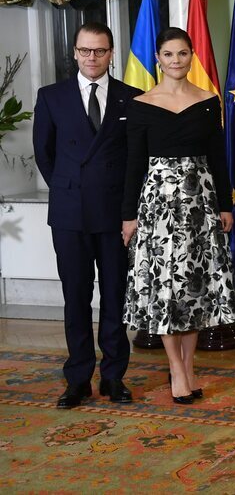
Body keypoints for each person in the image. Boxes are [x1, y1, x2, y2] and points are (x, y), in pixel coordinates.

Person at [121, 27, 235, 404]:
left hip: (201, 205)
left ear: (192, 57)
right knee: (166, 289)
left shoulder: (208, 101)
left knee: (194, 290)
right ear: (158, 59)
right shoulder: (141, 104)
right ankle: (175, 369)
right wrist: (128, 216)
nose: (176, 60)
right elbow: (133, 165)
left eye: (183, 54)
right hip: (158, 207)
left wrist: (225, 205)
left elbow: (219, 160)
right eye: (169, 54)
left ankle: (189, 367)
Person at [32, 23, 141, 409]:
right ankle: (77, 378)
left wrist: (129, 211)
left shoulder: (133, 98)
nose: (91, 58)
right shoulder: (51, 97)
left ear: (112, 53)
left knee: (115, 296)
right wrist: (68, 188)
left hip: (115, 215)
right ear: (74, 53)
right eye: (85, 51)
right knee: (75, 297)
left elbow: (135, 162)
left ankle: (113, 377)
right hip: (70, 213)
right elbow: (44, 154)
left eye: (99, 51)